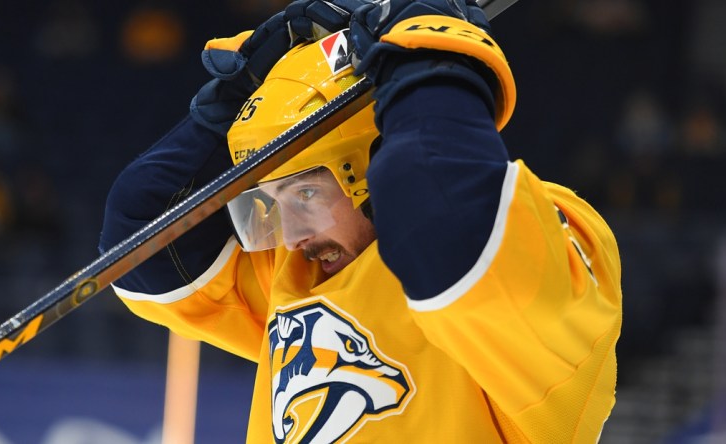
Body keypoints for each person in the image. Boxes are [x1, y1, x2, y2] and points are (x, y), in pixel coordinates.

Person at [99, 0, 623, 442]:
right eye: (275, 202)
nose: (293, 234)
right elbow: (144, 249)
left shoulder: (558, 230)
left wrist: (431, 53)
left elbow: (450, 230)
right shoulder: (302, 271)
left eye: (305, 191)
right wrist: (233, 106)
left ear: (373, 166)